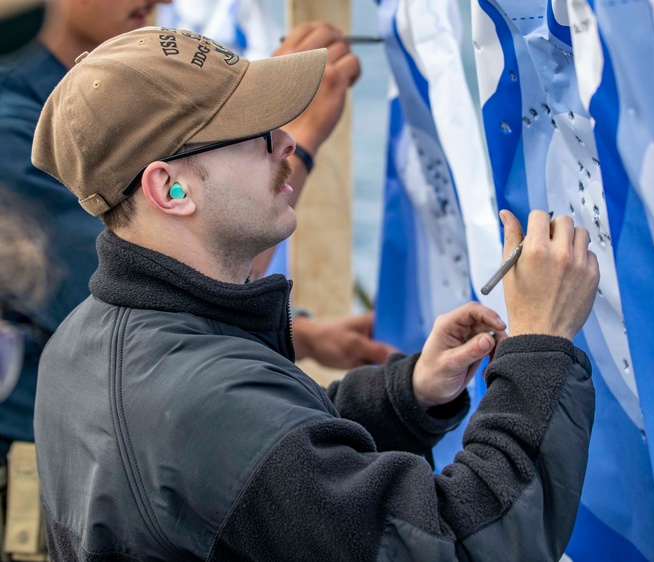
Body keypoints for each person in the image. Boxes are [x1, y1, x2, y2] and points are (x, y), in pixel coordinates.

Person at [32, 26, 599, 561]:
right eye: (256, 132)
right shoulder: (204, 406)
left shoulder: (85, 343)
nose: (285, 142)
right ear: (169, 188)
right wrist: (540, 345)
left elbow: (267, 480)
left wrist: (407, 396)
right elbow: (459, 547)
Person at [0, 0, 394, 458]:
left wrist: (302, 333)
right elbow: (167, 276)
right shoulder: (12, 131)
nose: (160, 2)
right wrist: (299, 138)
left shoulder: (76, 106)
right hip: (47, 460)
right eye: (251, 131)